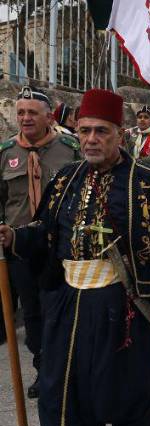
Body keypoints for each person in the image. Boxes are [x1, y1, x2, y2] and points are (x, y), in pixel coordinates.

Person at [0, 88, 150, 426]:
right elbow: (44, 232)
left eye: (101, 132)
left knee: (127, 380)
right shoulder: (65, 180)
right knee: (58, 380)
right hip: (69, 299)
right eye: (86, 130)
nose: (91, 139)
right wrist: (14, 238)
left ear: (120, 134)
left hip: (126, 303)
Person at [0, 86, 80, 399]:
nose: (25, 118)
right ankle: (43, 366)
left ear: (49, 116)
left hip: (59, 243)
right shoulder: (6, 152)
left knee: (58, 307)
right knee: (31, 310)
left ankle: (63, 365)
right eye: (20, 112)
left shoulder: (69, 147)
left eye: (32, 112)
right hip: (19, 245)